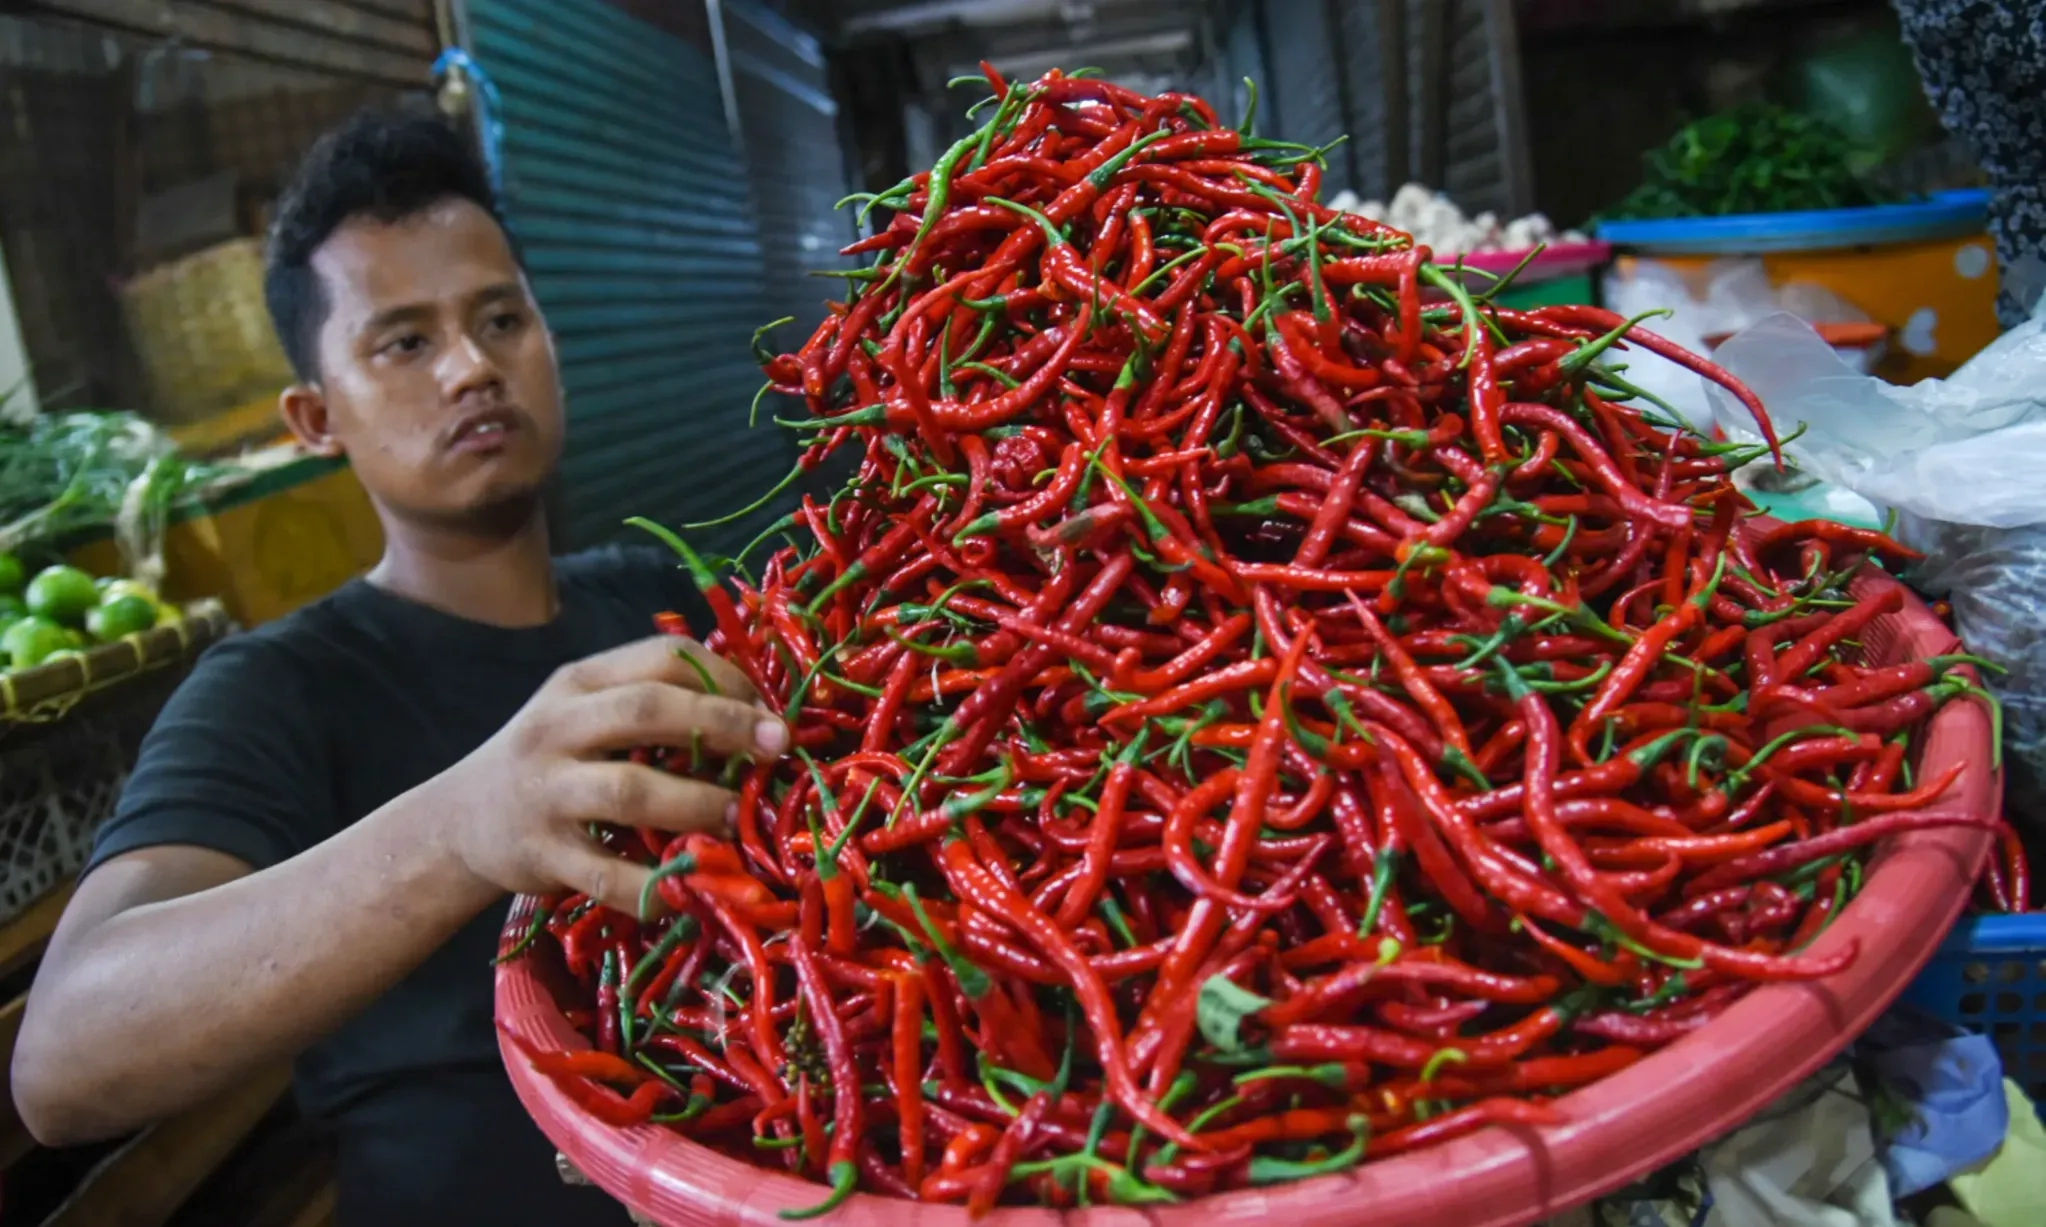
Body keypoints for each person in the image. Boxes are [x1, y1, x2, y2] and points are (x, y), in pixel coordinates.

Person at [9, 105, 784, 1227]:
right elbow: (62, 1062)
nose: (473, 366)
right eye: (405, 341)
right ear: (316, 416)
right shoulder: (276, 688)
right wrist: (462, 825)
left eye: (501, 317)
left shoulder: (661, 604)